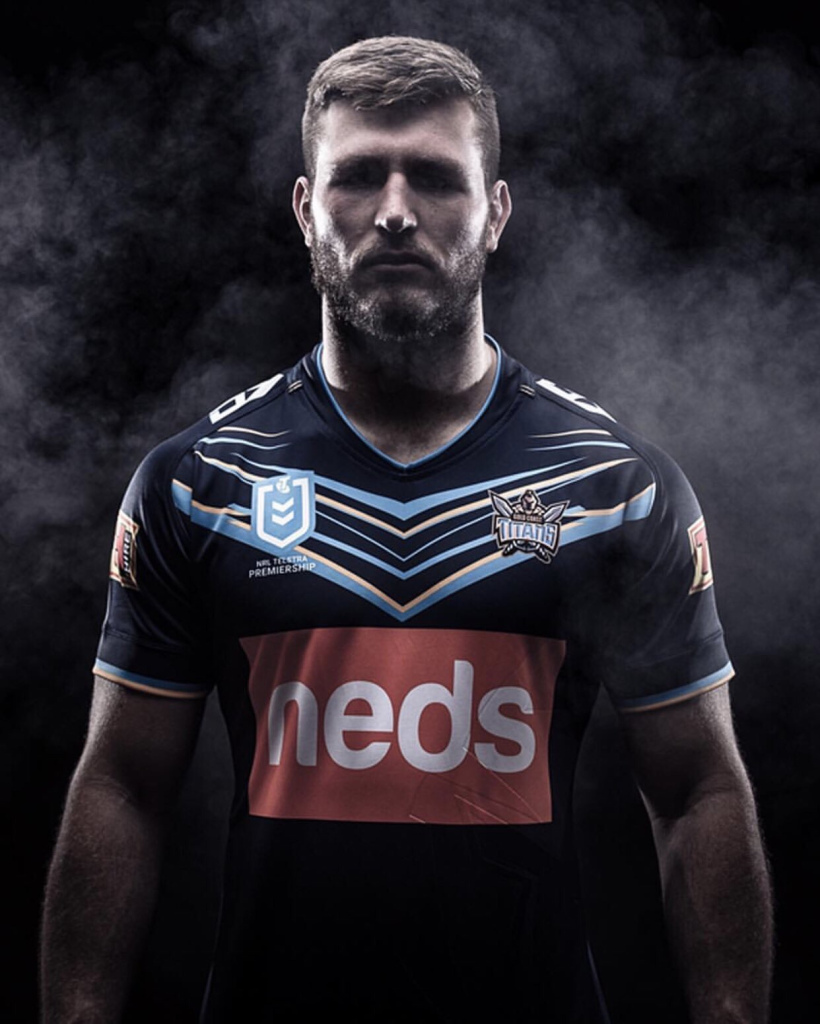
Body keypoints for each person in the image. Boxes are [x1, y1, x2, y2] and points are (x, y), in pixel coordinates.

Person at [41, 36, 772, 1023]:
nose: (393, 211)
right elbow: (124, 785)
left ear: (495, 212)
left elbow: (697, 791)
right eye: (356, 178)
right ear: (305, 210)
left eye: (433, 176)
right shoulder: (200, 483)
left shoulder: (615, 488)